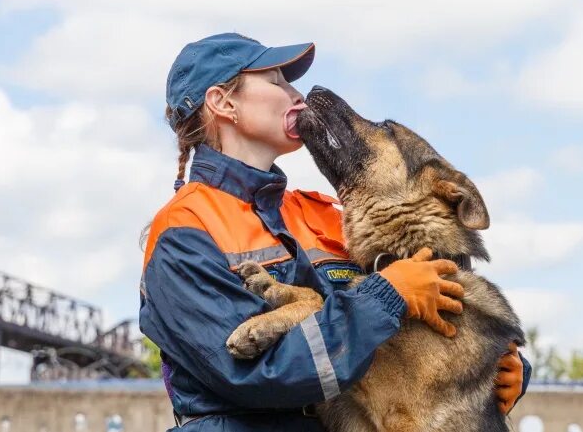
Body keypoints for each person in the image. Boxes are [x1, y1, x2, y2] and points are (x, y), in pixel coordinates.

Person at [139, 33, 531, 432]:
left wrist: (490, 364)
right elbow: (256, 374)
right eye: (276, 82)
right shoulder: (184, 229)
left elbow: (404, 348)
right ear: (223, 103)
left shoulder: (326, 214)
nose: (296, 94)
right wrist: (388, 294)